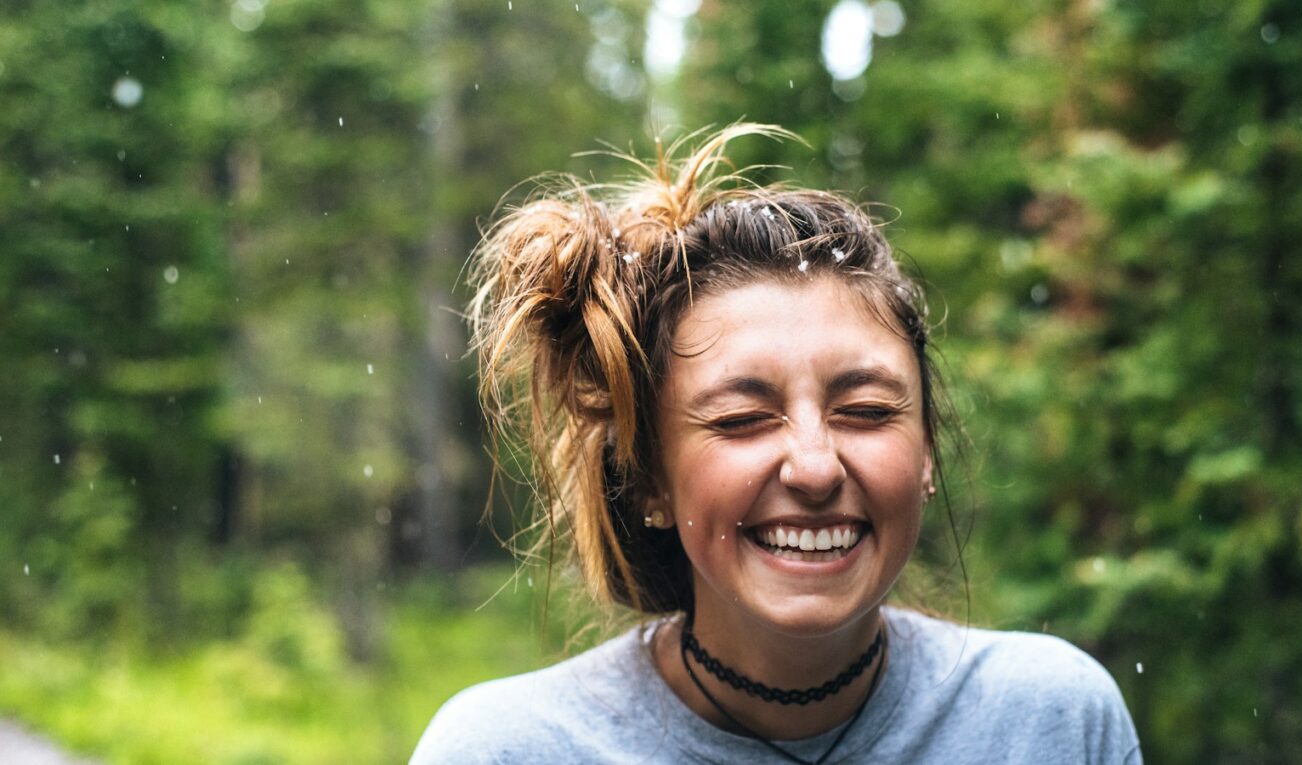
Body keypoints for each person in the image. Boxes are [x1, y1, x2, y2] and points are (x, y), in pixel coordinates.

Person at [410, 124, 1141, 765]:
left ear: (927, 456)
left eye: (863, 410)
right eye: (740, 420)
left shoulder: (1050, 723)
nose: (816, 466)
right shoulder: (505, 749)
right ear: (649, 480)